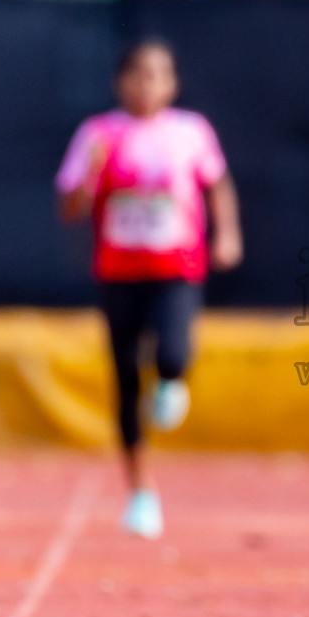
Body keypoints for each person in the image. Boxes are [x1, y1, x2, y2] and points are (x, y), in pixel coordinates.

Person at [57, 39, 243, 539]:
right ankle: (140, 491)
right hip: (118, 270)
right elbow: (70, 208)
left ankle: (171, 377)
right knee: (124, 379)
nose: (146, 85)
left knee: (173, 351)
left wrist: (227, 233)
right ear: (121, 82)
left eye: (157, 75)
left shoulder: (190, 132)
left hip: (177, 264)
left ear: (172, 83)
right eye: (137, 75)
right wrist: (90, 177)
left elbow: (217, 183)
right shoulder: (97, 134)